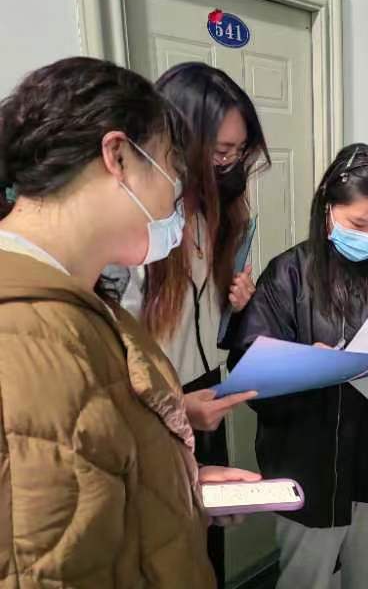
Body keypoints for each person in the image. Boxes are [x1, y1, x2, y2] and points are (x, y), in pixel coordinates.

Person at [0, 57, 259, 588]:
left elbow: (95, 489)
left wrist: (180, 487)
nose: (178, 193)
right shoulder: (24, 338)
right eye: (171, 165)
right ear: (118, 156)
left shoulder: (86, 304)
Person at [226, 143, 368, 589]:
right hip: (310, 463)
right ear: (328, 208)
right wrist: (307, 366)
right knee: (306, 577)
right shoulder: (288, 274)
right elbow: (250, 371)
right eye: (358, 224)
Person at [117, 62, 269, 585]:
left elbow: (207, 318)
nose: (229, 163)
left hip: (206, 390)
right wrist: (175, 407)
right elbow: (116, 349)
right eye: (220, 150)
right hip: (151, 401)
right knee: (164, 549)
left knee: (208, 544)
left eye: (238, 151)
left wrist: (237, 304)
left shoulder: (220, 211)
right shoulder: (140, 222)